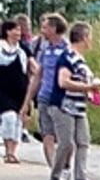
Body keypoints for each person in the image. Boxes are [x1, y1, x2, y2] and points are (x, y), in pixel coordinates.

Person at [49, 21, 100, 180]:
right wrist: (88, 88)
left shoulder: (80, 59)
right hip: (64, 105)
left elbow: (80, 80)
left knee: (83, 141)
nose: (90, 40)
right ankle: (55, 177)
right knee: (66, 143)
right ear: (83, 37)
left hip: (79, 106)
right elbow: (63, 82)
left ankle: (81, 178)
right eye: (89, 37)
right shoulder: (68, 56)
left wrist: (91, 94)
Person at [25, 13, 69, 168]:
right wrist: (27, 100)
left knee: (66, 138)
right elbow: (37, 76)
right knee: (47, 134)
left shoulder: (67, 49)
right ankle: (53, 168)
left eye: (45, 27)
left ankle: (65, 163)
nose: (42, 30)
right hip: (44, 96)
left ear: (54, 28)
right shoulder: (45, 50)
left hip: (63, 98)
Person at [0, 19, 29, 164]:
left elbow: (27, 70)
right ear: (7, 31)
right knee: (8, 118)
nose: (19, 33)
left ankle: (12, 151)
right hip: (3, 90)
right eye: (15, 30)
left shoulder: (21, 50)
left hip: (19, 90)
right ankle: (7, 149)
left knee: (18, 120)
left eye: (19, 30)